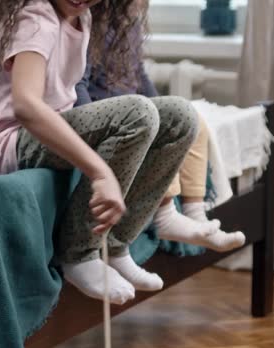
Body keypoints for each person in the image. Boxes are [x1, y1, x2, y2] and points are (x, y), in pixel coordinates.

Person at [0, 0, 198, 304]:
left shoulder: (82, 18)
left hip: (49, 128)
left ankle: (114, 245)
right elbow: (26, 105)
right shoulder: (34, 18)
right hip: (6, 142)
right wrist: (99, 170)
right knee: (137, 113)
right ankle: (78, 252)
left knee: (180, 116)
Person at [75, 11, 246, 280]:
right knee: (155, 132)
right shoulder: (90, 23)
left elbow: (139, 74)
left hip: (138, 105)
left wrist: (172, 115)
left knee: (194, 121)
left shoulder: (129, 22)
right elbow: (79, 84)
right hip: (109, 111)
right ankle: (165, 215)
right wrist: (89, 127)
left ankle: (195, 212)